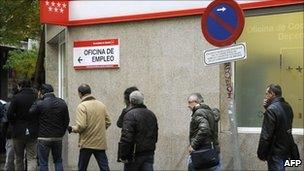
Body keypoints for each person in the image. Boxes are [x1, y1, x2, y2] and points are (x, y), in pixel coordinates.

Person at [68, 84, 111, 171]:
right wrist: (99, 129)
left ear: (80, 93)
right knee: (104, 167)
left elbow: (81, 126)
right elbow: (108, 122)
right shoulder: (101, 105)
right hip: (100, 142)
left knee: (82, 168)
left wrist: (72, 129)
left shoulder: (82, 106)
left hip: (87, 142)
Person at [29, 84, 70, 171]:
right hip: (58, 137)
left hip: (43, 137)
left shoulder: (40, 103)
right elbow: (66, 120)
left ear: (42, 92)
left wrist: (38, 99)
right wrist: (61, 133)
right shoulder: (62, 103)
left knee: (43, 163)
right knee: (58, 161)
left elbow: (30, 113)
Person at [257, 84, 297, 171]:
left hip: (275, 153)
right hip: (286, 150)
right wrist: (268, 108)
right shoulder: (288, 106)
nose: (266, 97)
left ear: (272, 94)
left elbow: (266, 136)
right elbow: (282, 125)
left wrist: (261, 154)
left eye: (267, 94)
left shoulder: (271, 110)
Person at [118, 91, 158, 171]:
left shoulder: (129, 115)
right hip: (149, 152)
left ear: (131, 101)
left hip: (135, 154)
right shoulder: (151, 114)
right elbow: (155, 134)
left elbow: (126, 137)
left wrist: (123, 155)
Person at [7, 80, 38, 171]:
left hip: (18, 131)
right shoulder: (35, 97)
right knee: (31, 158)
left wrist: (14, 123)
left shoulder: (16, 97)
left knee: (19, 158)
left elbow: (9, 114)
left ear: (20, 86)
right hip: (32, 131)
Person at [187, 93, 220, 171]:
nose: (188, 105)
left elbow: (204, 129)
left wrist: (193, 145)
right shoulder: (209, 112)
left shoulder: (199, 112)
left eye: (189, 102)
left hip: (201, 152)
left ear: (195, 102)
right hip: (212, 152)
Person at [1, 85, 19, 171]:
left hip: (10, 134)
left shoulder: (8, 105)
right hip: (22, 133)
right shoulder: (25, 104)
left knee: (9, 157)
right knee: (19, 158)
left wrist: (3, 134)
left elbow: (5, 122)